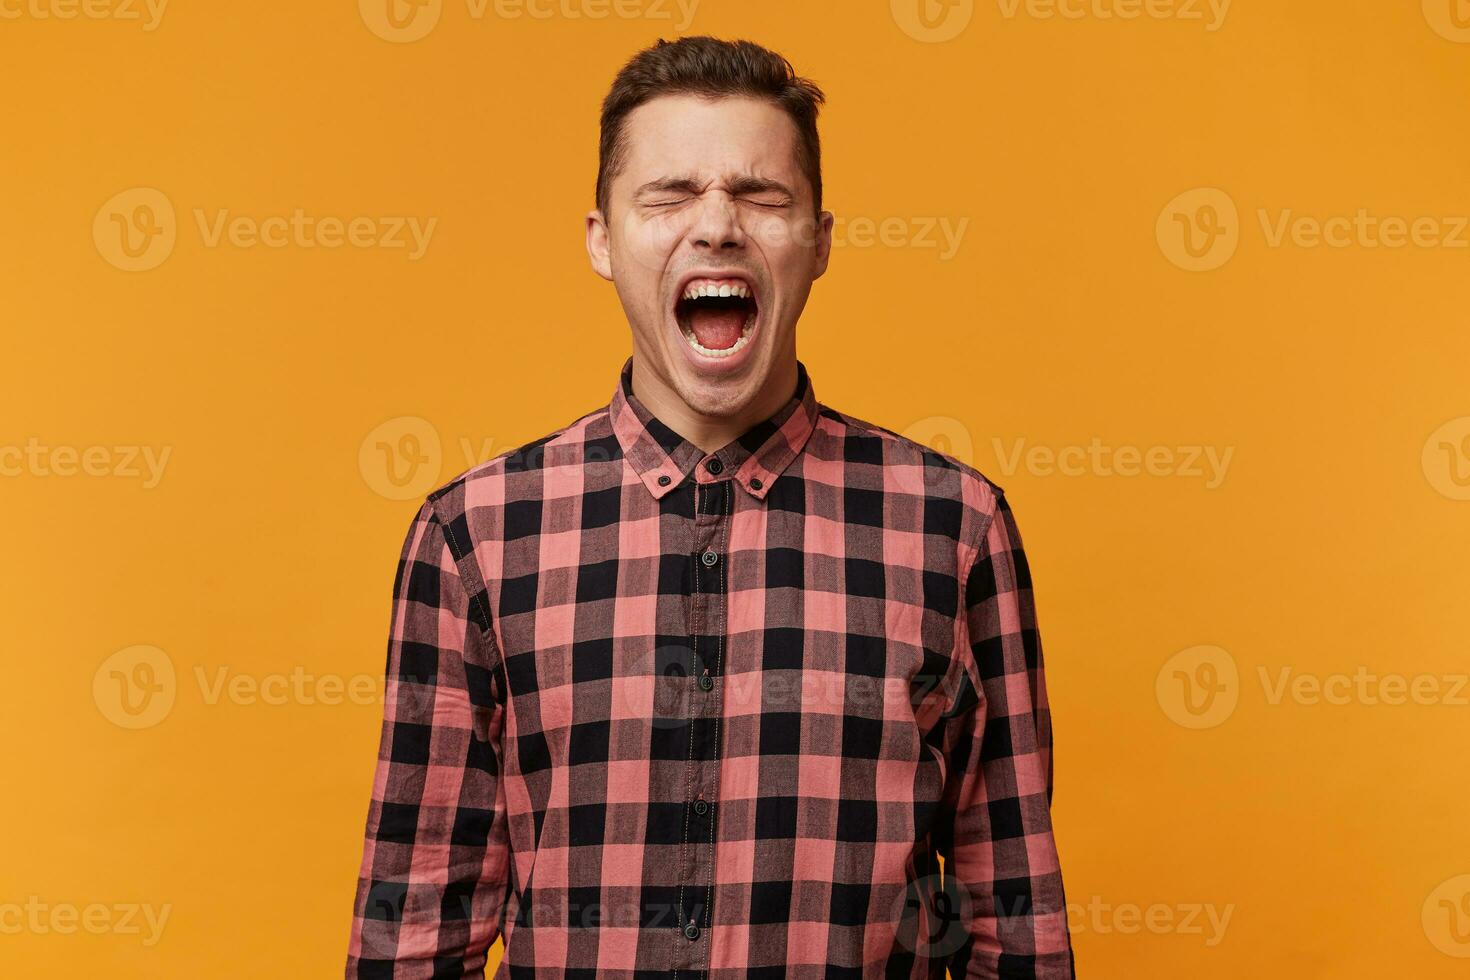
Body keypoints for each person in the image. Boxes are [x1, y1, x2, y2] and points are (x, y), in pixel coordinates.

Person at [346, 34, 1074, 979]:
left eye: (762, 197)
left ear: (819, 241)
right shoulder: (474, 537)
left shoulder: (954, 528)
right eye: (670, 194)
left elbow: (1013, 929)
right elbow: (412, 942)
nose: (718, 226)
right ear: (602, 241)